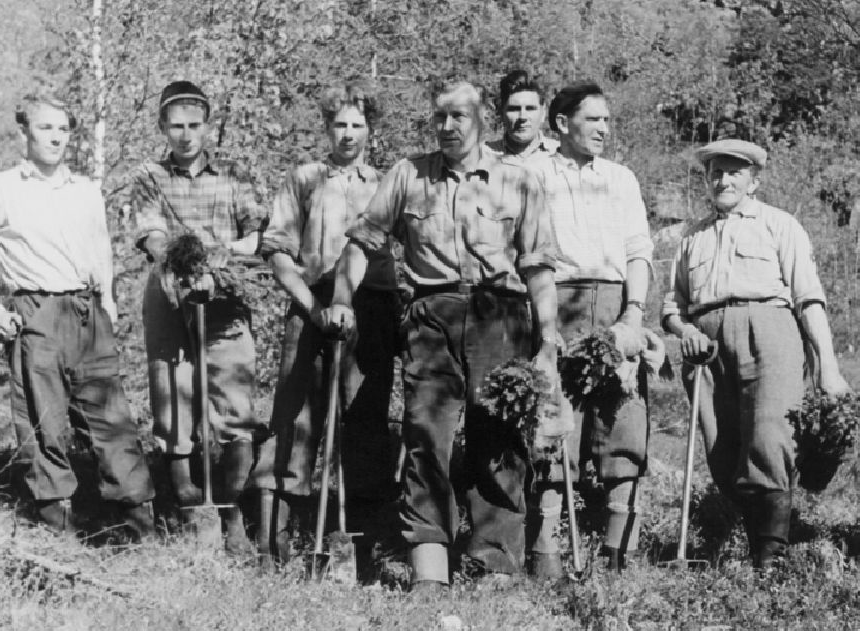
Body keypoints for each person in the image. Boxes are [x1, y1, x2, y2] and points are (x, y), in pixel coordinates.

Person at [323, 81, 560, 592]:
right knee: (425, 431)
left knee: (497, 437)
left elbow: (539, 268)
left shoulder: (519, 181)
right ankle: (430, 567)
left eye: (458, 117)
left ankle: (492, 563)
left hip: (502, 314)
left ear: (481, 119)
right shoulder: (409, 174)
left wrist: (547, 341)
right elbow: (363, 242)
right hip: (432, 315)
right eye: (439, 117)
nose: (447, 127)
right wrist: (343, 298)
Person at [0, 94, 155, 539]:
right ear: (24, 133)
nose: (56, 137)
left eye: (63, 129)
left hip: (88, 313)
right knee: (45, 422)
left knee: (110, 418)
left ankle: (136, 523)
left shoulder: (85, 191)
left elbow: (101, 252)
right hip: (35, 314)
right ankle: (57, 522)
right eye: (46, 128)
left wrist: (108, 302)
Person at [663, 139, 849, 570]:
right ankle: (753, 537)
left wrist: (829, 367)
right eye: (716, 172)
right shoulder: (692, 237)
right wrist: (685, 331)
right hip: (706, 347)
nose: (723, 180)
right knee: (721, 448)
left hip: (769, 334)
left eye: (735, 172)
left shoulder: (779, 225)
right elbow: (672, 308)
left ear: (754, 180)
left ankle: (771, 559)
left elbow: (808, 298)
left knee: (770, 436)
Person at [249, 82, 400, 569]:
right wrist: (313, 309)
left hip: (370, 310)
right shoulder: (304, 179)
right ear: (326, 127)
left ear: (371, 130)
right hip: (312, 307)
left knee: (365, 420)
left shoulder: (386, 182)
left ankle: (361, 541)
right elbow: (277, 252)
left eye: (358, 124)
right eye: (340, 124)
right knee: (298, 420)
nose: (349, 133)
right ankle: (282, 538)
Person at [129, 80, 266, 556]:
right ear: (163, 127)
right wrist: (186, 267)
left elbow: (255, 234)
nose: (186, 135)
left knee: (233, 396)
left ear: (207, 125)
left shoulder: (234, 171)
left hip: (226, 291)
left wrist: (220, 262)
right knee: (173, 390)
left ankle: (233, 513)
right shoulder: (149, 174)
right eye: (176, 126)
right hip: (170, 289)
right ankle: (187, 503)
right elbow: (151, 234)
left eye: (194, 125)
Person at [529, 81, 655, 576]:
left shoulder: (621, 179)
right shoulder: (535, 175)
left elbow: (638, 250)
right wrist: (542, 322)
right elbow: (529, 255)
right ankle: (547, 555)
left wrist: (633, 314)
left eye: (607, 120)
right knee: (555, 424)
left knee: (624, 423)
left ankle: (617, 554)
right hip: (556, 302)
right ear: (562, 124)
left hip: (615, 304)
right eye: (592, 119)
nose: (603, 128)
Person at [486, 69, 558, 166]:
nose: (522, 117)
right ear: (501, 112)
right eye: (514, 109)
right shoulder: (483, 156)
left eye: (530, 108)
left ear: (543, 112)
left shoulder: (562, 155)